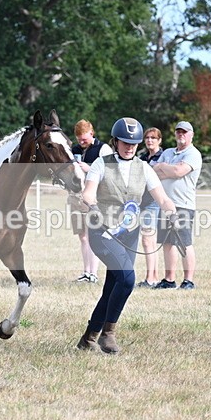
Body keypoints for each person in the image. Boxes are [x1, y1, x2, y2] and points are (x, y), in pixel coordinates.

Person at [76, 117, 178, 354]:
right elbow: (88, 193)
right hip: (102, 232)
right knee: (128, 279)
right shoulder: (102, 164)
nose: (130, 147)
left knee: (113, 286)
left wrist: (171, 212)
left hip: (128, 234)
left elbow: (161, 197)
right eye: (124, 142)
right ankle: (108, 335)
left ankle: (88, 338)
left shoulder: (144, 168)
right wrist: (91, 206)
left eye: (133, 143)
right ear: (115, 141)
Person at [152, 121, 202, 290]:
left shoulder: (193, 154)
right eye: (178, 132)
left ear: (191, 134)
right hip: (165, 203)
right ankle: (169, 279)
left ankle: (188, 280)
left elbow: (178, 172)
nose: (181, 135)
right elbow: (154, 173)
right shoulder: (167, 152)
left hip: (183, 204)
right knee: (167, 242)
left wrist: (163, 167)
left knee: (183, 242)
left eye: (185, 132)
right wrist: (169, 170)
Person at [68, 119, 113, 283]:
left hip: (94, 198)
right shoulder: (74, 150)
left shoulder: (103, 149)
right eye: (78, 138)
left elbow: (110, 173)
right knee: (82, 236)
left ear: (91, 133)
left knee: (92, 235)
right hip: (75, 197)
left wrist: (88, 168)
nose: (81, 142)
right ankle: (86, 271)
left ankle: (93, 274)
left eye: (84, 138)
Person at [136, 127, 164, 288]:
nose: (150, 140)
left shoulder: (163, 156)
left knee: (148, 240)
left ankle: (150, 278)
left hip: (153, 201)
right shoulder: (142, 157)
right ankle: (153, 276)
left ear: (159, 140)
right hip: (141, 201)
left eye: (153, 138)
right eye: (147, 138)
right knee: (149, 241)